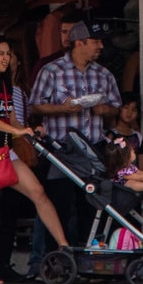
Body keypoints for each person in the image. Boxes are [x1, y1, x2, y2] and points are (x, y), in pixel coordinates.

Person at [0, 36, 71, 284]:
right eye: (1, 53)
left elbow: (11, 120)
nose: (6, 58)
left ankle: (64, 246)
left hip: (5, 151)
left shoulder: (6, 85)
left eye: (8, 53)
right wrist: (17, 132)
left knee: (39, 193)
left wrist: (28, 130)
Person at [27, 22, 121, 265]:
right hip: (62, 152)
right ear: (79, 42)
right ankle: (55, 262)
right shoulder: (52, 71)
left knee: (92, 208)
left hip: (94, 151)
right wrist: (63, 108)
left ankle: (89, 263)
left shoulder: (104, 74)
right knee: (58, 207)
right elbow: (35, 105)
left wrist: (104, 110)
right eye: (95, 41)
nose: (101, 46)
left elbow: (116, 109)